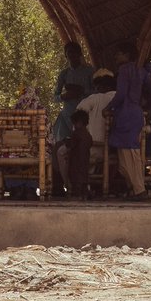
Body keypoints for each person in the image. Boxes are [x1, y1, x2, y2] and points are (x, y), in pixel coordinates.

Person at [105, 42, 151, 200]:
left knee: (130, 155)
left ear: (127, 55)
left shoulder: (123, 70)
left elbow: (121, 94)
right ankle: (135, 188)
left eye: (119, 53)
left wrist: (108, 108)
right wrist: (146, 107)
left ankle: (139, 190)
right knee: (126, 158)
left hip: (125, 115)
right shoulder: (141, 72)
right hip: (136, 114)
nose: (116, 56)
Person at [52, 41, 96, 196]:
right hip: (67, 117)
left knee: (81, 149)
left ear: (80, 54)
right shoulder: (64, 74)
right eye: (68, 53)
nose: (71, 56)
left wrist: (82, 92)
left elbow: (96, 92)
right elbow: (55, 97)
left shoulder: (89, 71)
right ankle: (64, 184)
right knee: (61, 148)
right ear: (66, 55)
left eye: (74, 53)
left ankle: (82, 185)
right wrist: (64, 95)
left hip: (84, 118)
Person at [75, 72, 116, 189]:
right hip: (114, 149)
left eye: (98, 88)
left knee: (62, 152)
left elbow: (78, 111)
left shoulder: (95, 98)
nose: (96, 90)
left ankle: (74, 186)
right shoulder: (121, 99)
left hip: (93, 148)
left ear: (105, 88)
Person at [67, 109, 94, 199]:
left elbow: (71, 145)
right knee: (84, 177)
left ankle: (77, 193)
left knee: (75, 177)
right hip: (85, 160)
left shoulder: (76, 134)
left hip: (75, 160)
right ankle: (85, 192)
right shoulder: (88, 135)